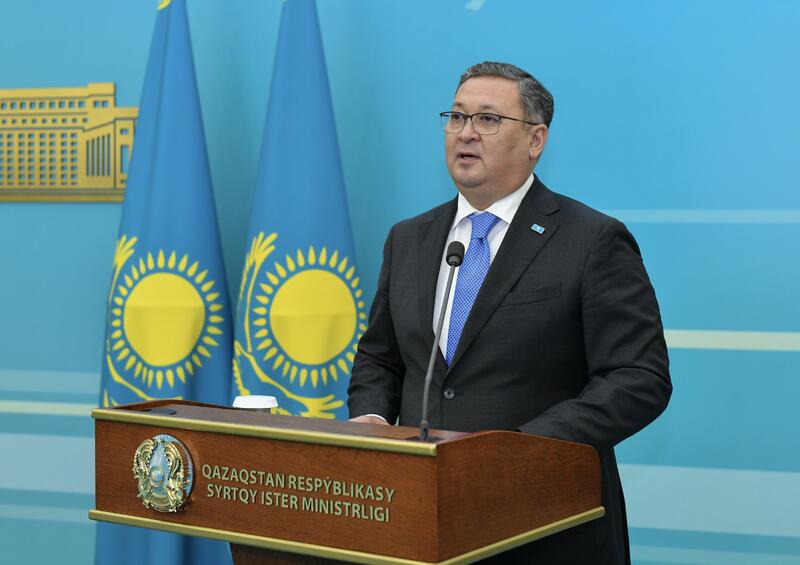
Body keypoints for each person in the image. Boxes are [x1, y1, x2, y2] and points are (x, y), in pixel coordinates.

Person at [347, 61, 672, 564]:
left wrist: (522, 448)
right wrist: (370, 417)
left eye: (488, 119)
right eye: (456, 117)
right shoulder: (409, 238)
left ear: (536, 140)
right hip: (422, 518)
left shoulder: (591, 239)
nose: (465, 133)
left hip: (546, 522)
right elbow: (381, 358)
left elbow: (638, 378)